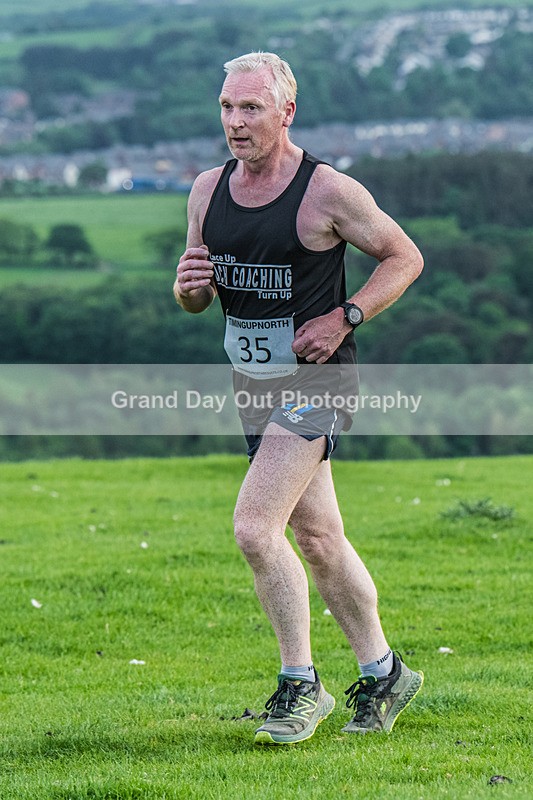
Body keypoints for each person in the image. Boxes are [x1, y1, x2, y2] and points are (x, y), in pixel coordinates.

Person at [174, 52, 425, 746]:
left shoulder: (327, 192)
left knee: (256, 528)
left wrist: (346, 315)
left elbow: (404, 256)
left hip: (318, 383)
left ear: (286, 112)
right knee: (318, 538)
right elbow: (195, 297)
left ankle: (300, 685)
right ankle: (385, 674)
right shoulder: (206, 191)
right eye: (227, 107)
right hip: (253, 387)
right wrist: (189, 289)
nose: (235, 121)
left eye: (250, 108)